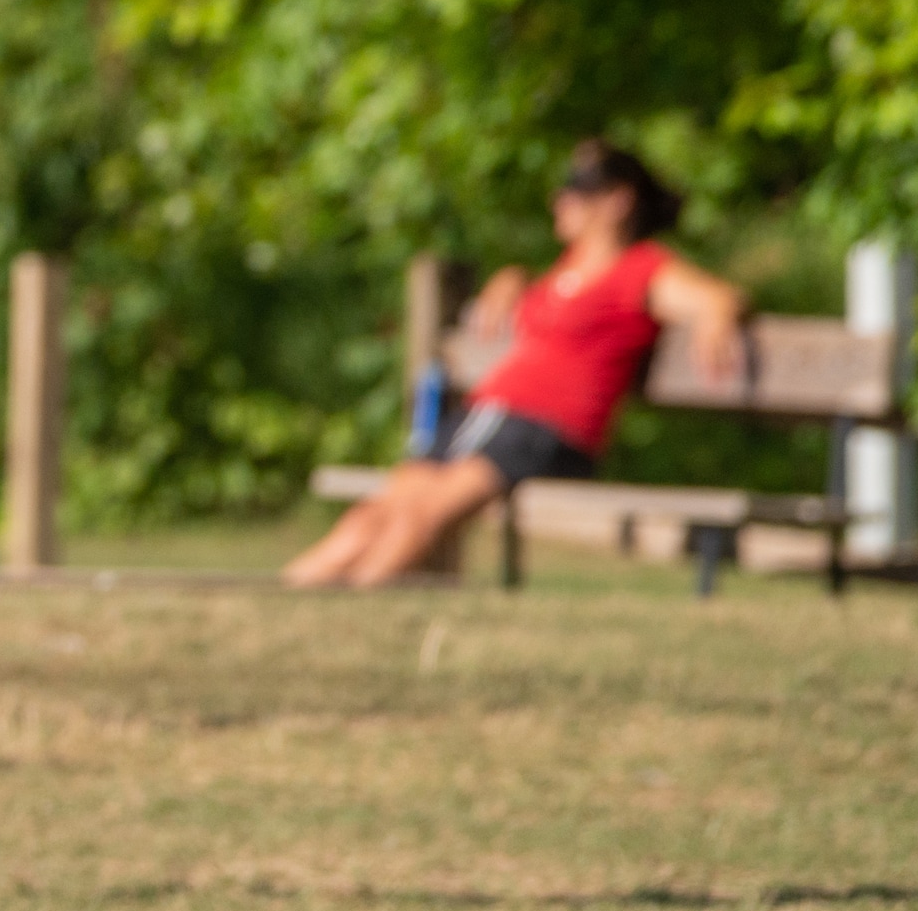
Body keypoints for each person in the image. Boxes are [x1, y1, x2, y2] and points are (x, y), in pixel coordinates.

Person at [283, 139, 745, 590]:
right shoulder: (561, 271)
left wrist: (717, 315)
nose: (560, 199)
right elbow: (541, 312)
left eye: (578, 185)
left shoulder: (642, 268)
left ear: (619, 200)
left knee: (423, 513)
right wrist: (511, 279)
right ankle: (286, 594)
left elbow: (716, 296)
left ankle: (353, 608)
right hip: (490, 415)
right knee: (376, 512)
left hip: (546, 428)